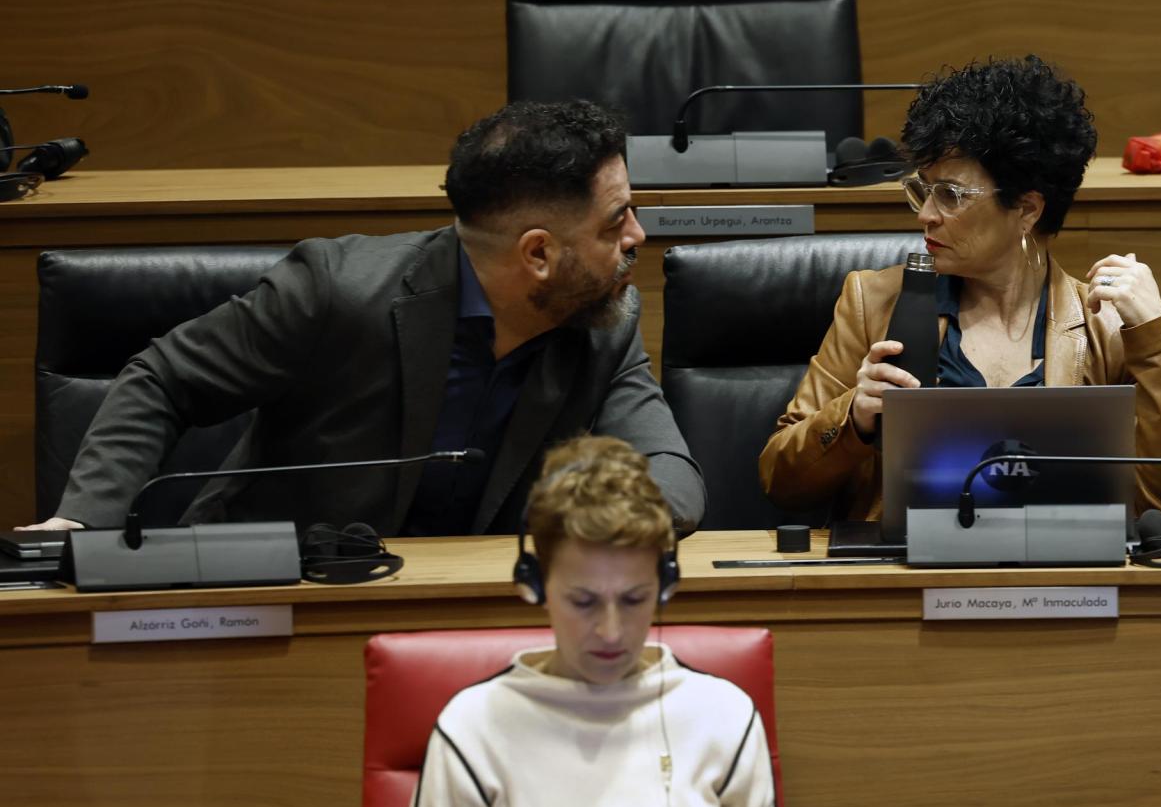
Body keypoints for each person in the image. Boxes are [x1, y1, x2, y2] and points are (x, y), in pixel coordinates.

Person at [24, 100, 703, 537]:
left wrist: (606, 525)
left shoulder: (602, 324)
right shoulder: (335, 289)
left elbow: (673, 478)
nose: (639, 235)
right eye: (616, 221)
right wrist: (80, 523)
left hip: (471, 610)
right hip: (283, 604)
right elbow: (163, 380)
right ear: (538, 254)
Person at [381, 435, 799, 807]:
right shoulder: (475, 725)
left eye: (634, 599)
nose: (610, 630)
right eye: (582, 601)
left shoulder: (723, 715)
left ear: (666, 585)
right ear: (534, 584)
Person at [758, 56, 1161, 520]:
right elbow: (780, 480)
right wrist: (853, 418)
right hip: (908, 581)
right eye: (923, 189)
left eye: (950, 195)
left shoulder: (1106, 326)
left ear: (1027, 210)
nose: (925, 215)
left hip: (1061, 584)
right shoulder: (872, 303)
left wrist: (1154, 339)